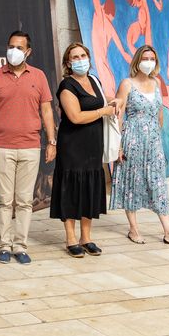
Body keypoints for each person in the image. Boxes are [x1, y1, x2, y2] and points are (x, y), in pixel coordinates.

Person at [0, 31, 56, 265]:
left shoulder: (39, 76)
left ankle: (20, 245)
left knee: (24, 200)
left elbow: (46, 111)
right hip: (2, 146)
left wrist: (51, 141)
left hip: (31, 146)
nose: (14, 51)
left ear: (28, 52)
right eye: (11, 46)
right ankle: (4, 245)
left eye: (19, 47)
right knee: (3, 199)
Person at [112, 46, 169, 247]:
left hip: (153, 141)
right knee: (131, 181)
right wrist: (119, 146)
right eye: (145, 58)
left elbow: (159, 114)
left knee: (158, 183)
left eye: (151, 58)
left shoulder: (156, 83)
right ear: (137, 61)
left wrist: (156, 139)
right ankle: (133, 229)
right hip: (132, 138)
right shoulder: (127, 84)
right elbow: (118, 115)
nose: (148, 62)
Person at [49, 42, 114, 258]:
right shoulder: (66, 85)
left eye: (82, 55)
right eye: (75, 57)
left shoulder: (94, 80)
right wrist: (103, 111)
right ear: (68, 63)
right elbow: (75, 117)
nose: (80, 60)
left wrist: (114, 104)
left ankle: (86, 237)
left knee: (90, 188)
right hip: (73, 145)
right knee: (72, 188)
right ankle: (70, 238)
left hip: (94, 145)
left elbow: (102, 104)